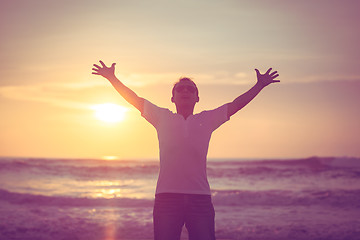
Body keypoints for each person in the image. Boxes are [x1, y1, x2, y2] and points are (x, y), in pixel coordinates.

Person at [92, 61, 280, 240]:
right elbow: (134, 99)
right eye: (179, 88)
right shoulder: (161, 117)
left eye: (190, 89)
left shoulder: (207, 119)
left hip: (200, 199)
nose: (185, 90)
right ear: (172, 97)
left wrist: (259, 86)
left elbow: (236, 104)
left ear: (197, 98)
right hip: (166, 199)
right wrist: (112, 78)